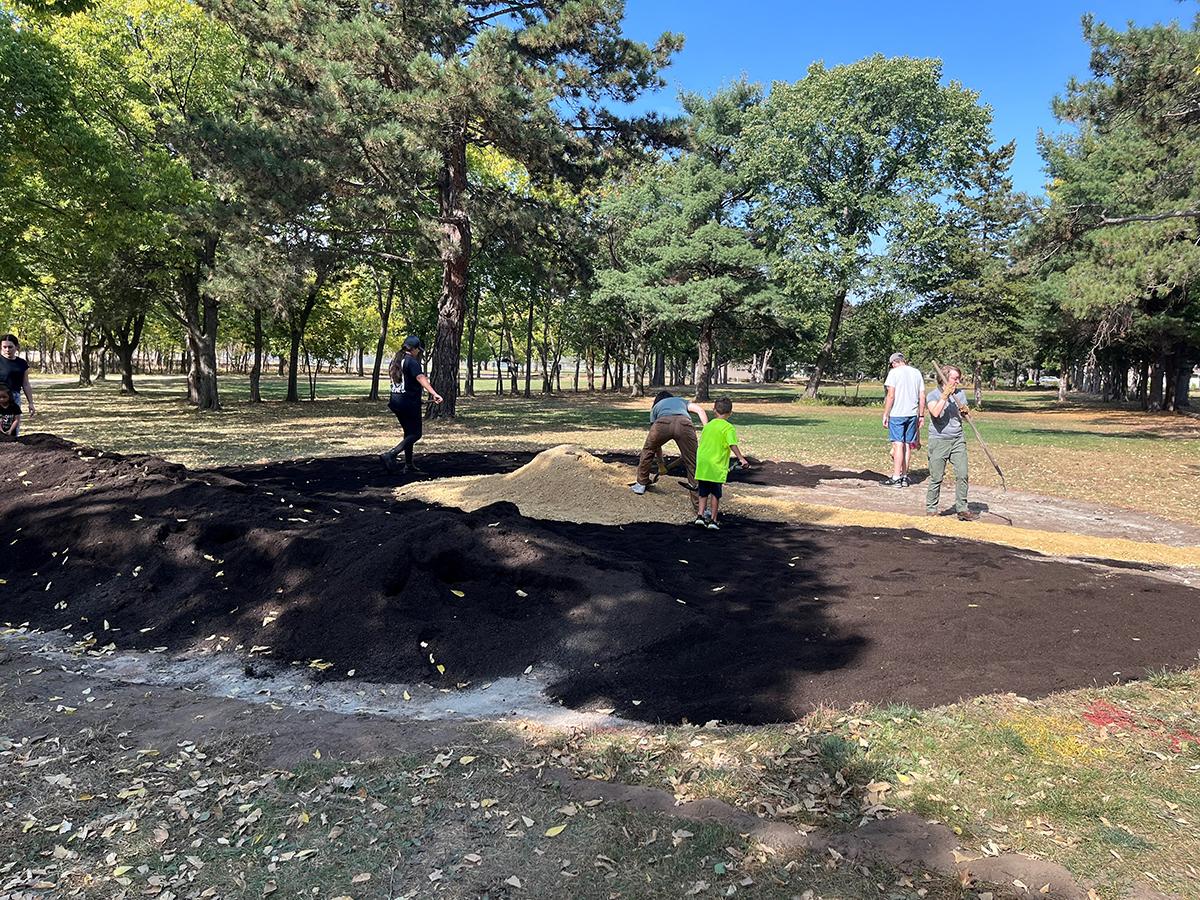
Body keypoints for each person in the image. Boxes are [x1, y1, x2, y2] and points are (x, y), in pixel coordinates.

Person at [380, 335, 443, 474]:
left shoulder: (396, 360)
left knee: (408, 433)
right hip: (408, 403)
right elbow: (420, 377)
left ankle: (408, 465)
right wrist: (434, 393)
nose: (418, 352)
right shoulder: (411, 361)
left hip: (396, 402)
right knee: (416, 434)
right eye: (418, 350)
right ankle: (391, 454)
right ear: (413, 349)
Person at [925, 365, 977, 521]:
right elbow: (935, 413)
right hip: (939, 440)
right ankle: (931, 509)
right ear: (945, 379)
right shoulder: (933, 395)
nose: (958, 381)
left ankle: (962, 509)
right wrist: (945, 396)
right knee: (936, 477)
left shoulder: (960, 394)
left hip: (957, 439)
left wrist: (966, 413)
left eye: (958, 378)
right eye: (955, 378)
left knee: (963, 474)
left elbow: (965, 419)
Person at [632, 390, 708, 494]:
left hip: (662, 423)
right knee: (693, 461)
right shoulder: (681, 401)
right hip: (684, 424)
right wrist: (707, 430)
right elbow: (700, 410)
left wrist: (660, 464)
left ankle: (641, 483)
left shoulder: (656, 407)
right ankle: (700, 504)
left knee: (648, 450)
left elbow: (655, 446)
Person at [692, 396, 750, 531]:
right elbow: (732, 444)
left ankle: (700, 516)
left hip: (703, 463)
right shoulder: (728, 428)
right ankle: (713, 519)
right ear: (730, 413)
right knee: (715, 493)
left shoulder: (708, 426)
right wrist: (741, 458)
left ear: (714, 410)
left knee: (703, 491)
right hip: (716, 465)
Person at [881, 351, 925, 487]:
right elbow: (922, 395)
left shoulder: (894, 373)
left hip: (897, 414)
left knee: (898, 444)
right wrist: (921, 414)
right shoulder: (916, 372)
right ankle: (905, 476)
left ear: (894, 362)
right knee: (907, 445)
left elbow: (891, 395)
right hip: (912, 414)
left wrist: (886, 414)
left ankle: (896, 477)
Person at [0, 334, 35, 420]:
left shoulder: (22, 363)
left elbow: (26, 384)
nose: (7, 349)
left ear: (16, 347)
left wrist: (31, 403)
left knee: (12, 428)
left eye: (10, 347)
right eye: (4, 347)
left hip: (14, 398)